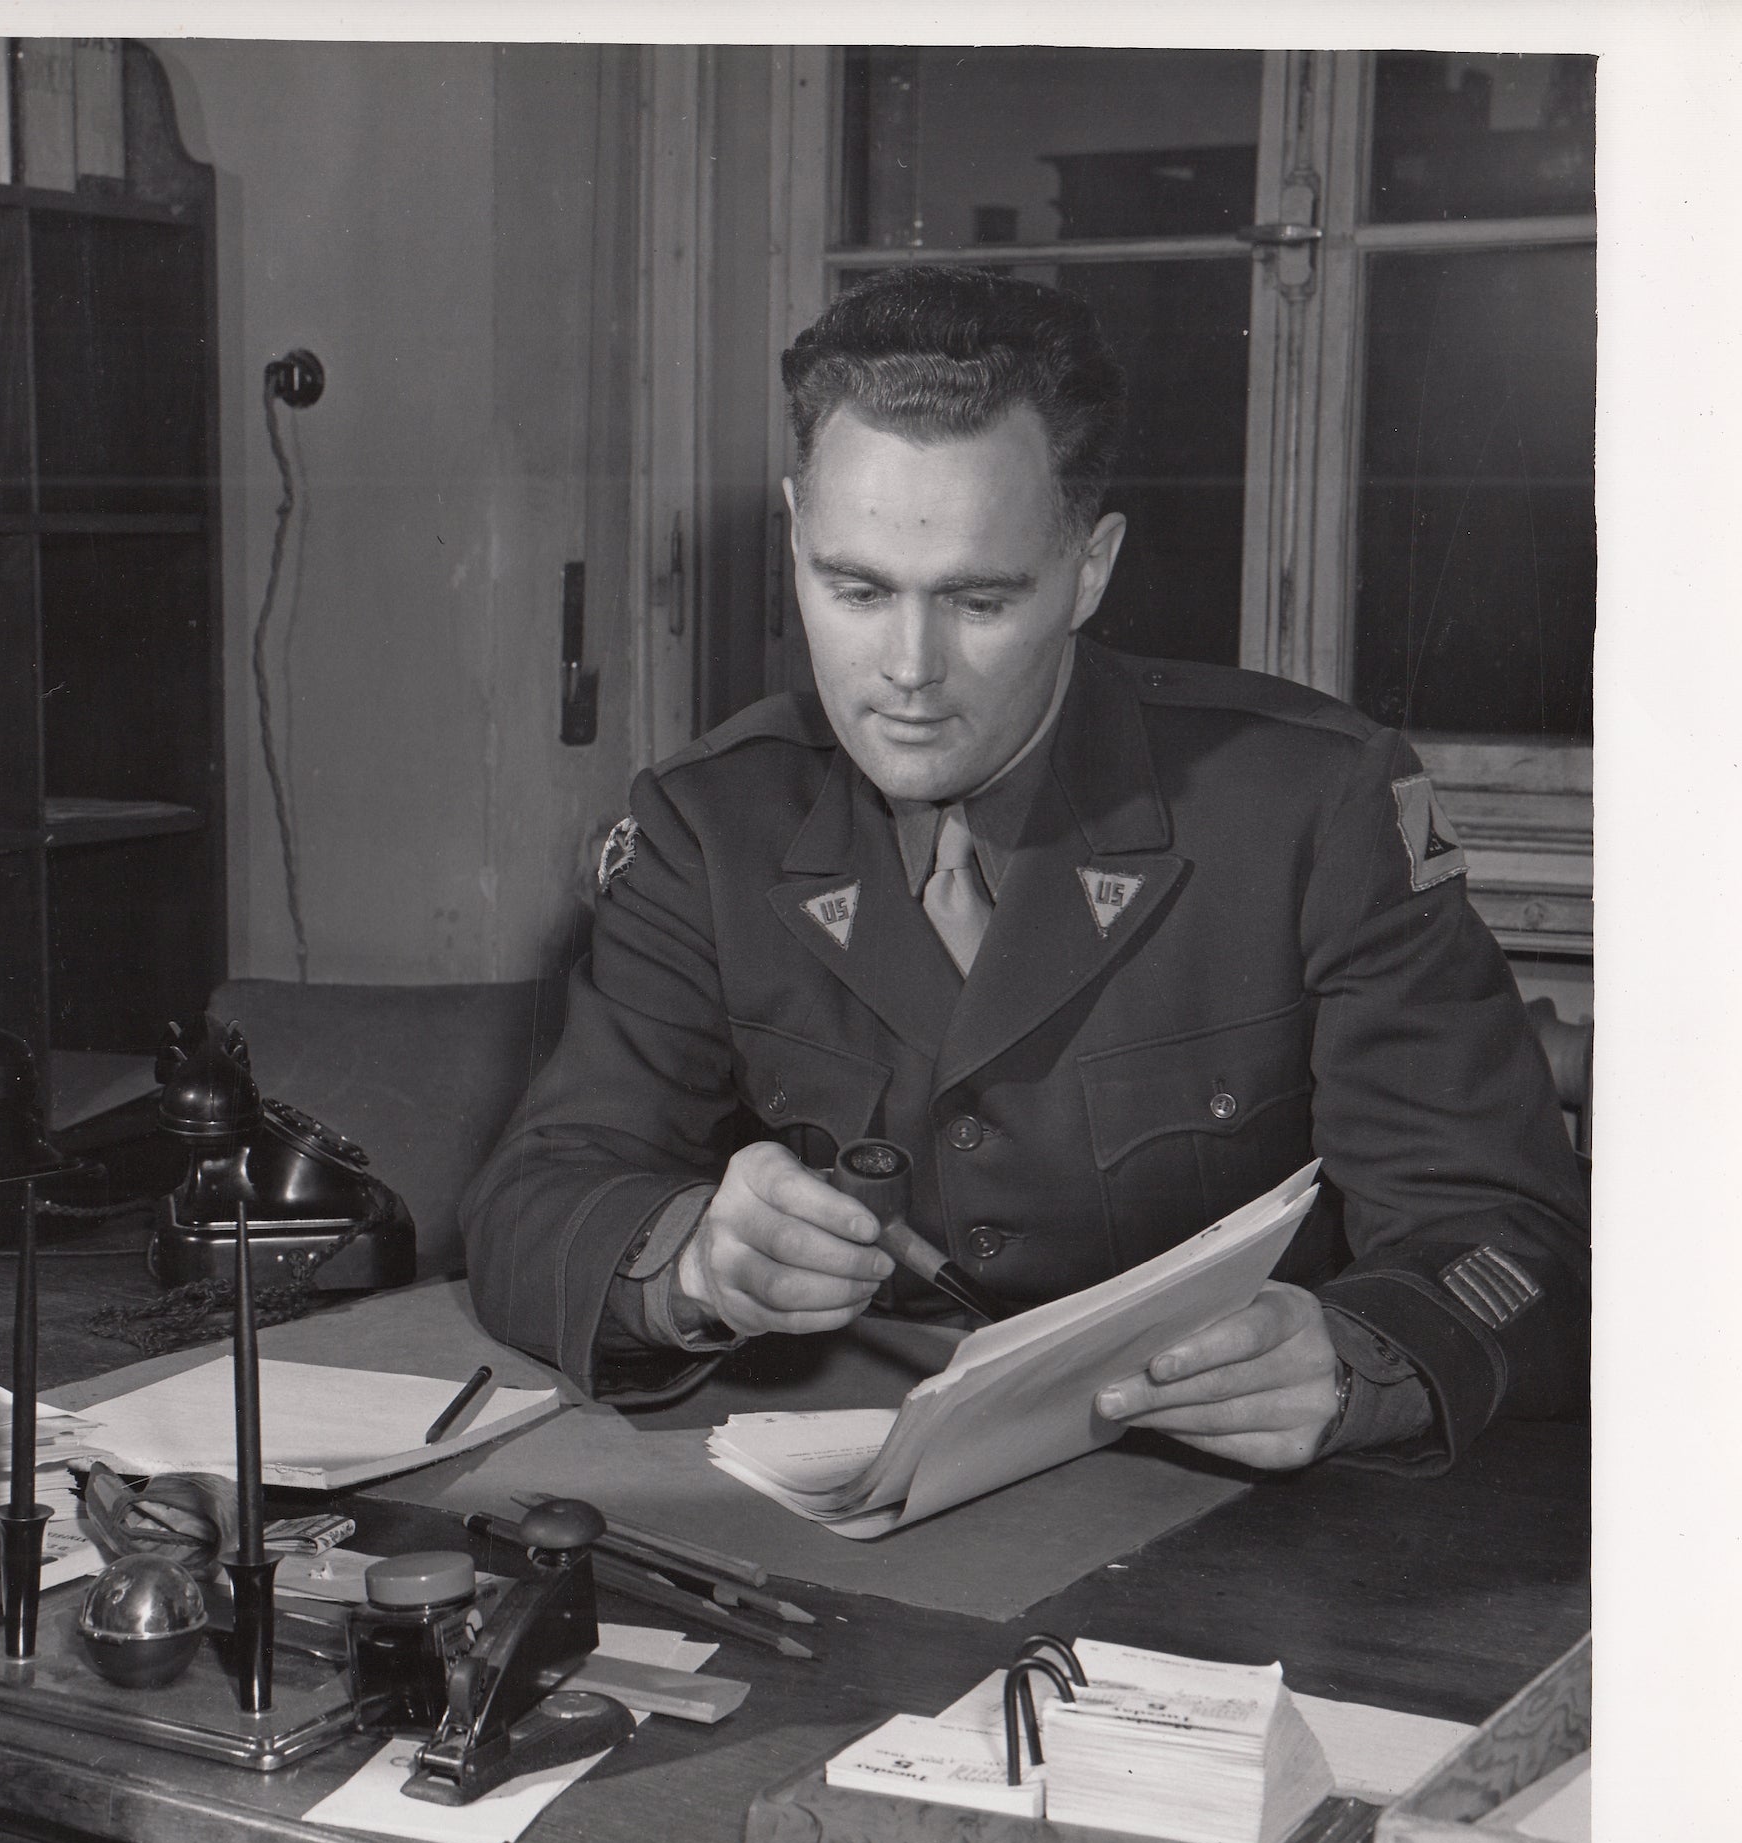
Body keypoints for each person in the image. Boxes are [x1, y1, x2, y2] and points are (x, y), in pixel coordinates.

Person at [464, 265, 1588, 1476]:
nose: (906, 668)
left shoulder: (1313, 807)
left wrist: (1365, 1355)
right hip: (848, 1498)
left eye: (980, 600)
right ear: (794, 537)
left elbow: (1508, 1240)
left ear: (1088, 570)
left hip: (1218, 1516)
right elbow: (533, 1204)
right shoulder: (709, 826)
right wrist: (688, 1259)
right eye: (853, 589)